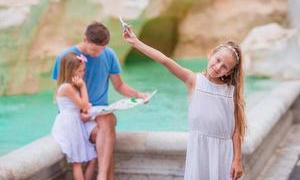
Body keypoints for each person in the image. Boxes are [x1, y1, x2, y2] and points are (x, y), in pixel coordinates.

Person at [123, 28, 246, 180]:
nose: (218, 67)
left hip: (223, 152)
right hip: (199, 149)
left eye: (224, 67)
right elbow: (165, 60)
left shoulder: (231, 92)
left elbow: (236, 130)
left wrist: (237, 159)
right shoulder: (193, 80)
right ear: (211, 54)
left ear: (228, 73)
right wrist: (136, 42)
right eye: (218, 60)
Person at [52, 22, 147, 180]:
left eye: (102, 49)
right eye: (94, 49)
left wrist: (139, 95)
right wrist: (82, 111)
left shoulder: (109, 55)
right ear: (85, 39)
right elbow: (60, 91)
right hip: (78, 116)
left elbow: (119, 85)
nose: (98, 53)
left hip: (99, 114)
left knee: (107, 118)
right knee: (107, 137)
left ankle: (102, 176)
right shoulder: (66, 57)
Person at [52, 52, 97, 180]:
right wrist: (83, 87)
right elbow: (84, 105)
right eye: (80, 71)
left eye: (83, 70)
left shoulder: (71, 87)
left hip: (76, 122)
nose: (82, 74)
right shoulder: (67, 88)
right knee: (76, 162)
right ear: (70, 71)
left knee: (92, 158)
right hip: (69, 124)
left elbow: (81, 106)